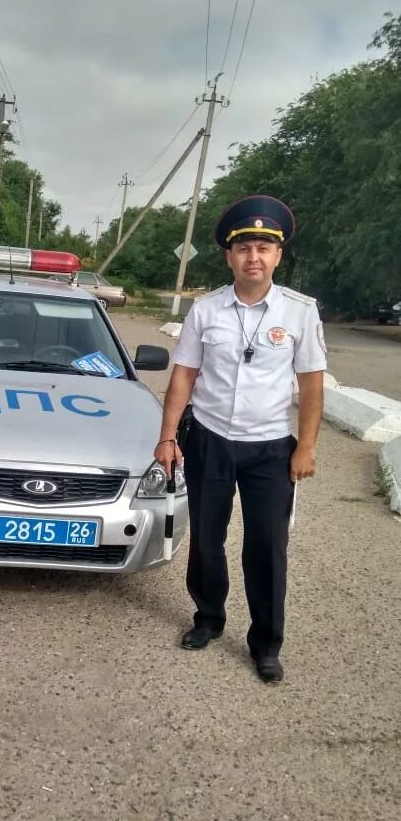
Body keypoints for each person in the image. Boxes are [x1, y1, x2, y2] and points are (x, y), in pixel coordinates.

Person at [156, 195, 326, 683]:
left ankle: (266, 643)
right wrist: (168, 436)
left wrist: (307, 447)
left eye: (264, 248)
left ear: (278, 256)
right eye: (245, 247)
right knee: (206, 541)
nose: (254, 257)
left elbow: (312, 386)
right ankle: (208, 619)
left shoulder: (299, 313)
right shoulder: (206, 310)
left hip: (271, 449)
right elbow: (184, 376)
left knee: (266, 547)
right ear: (230, 256)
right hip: (210, 440)